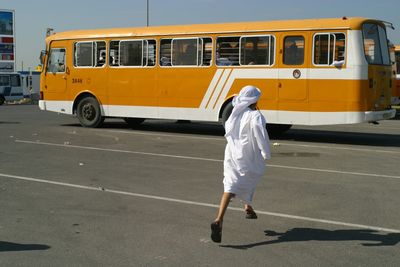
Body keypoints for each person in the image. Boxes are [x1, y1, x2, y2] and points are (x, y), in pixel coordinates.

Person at [211, 85, 271, 243]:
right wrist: (265, 152)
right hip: (248, 155)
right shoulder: (255, 116)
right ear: (255, 100)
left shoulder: (235, 114)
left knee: (230, 186)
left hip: (231, 154)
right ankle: (247, 206)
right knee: (250, 178)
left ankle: (220, 218)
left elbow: (228, 131)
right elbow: (261, 135)